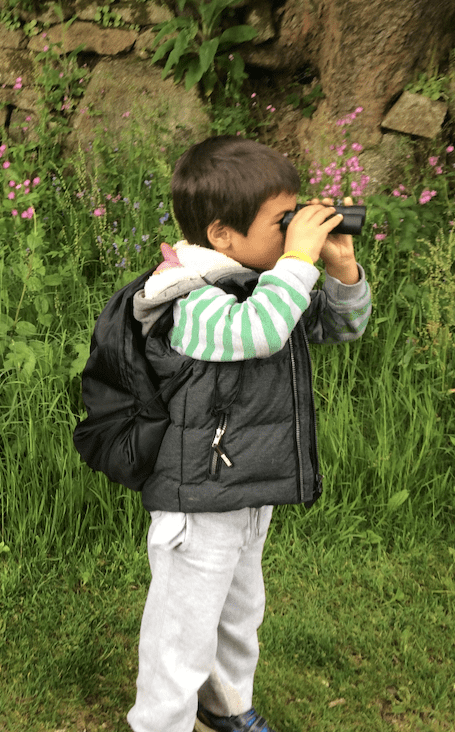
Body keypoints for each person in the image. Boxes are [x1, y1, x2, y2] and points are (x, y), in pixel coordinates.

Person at [123, 136, 371, 732]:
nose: (292, 234)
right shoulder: (192, 298)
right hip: (198, 500)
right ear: (221, 234)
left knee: (239, 615)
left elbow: (343, 328)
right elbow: (260, 331)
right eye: (279, 223)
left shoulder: (264, 280)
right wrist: (297, 263)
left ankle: (225, 708)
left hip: (247, 489)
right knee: (181, 632)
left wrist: (339, 269)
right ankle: (159, 725)